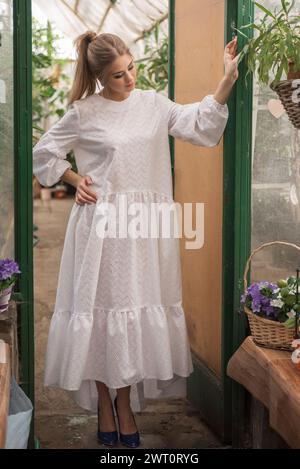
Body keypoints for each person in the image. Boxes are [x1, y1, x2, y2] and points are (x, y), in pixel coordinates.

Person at [32, 31, 239, 448]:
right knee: (103, 318)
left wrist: (227, 78)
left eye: (130, 68)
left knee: (129, 317)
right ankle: (107, 406)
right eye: (116, 76)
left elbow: (200, 125)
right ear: (99, 77)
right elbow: (43, 154)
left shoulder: (153, 104)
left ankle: (121, 405)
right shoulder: (83, 112)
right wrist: (76, 180)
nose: (128, 79)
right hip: (102, 232)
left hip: (145, 232)